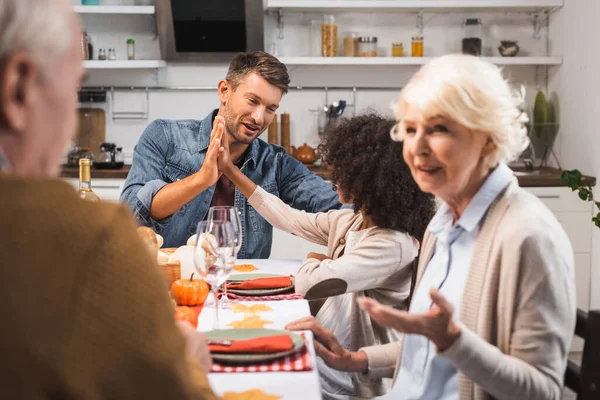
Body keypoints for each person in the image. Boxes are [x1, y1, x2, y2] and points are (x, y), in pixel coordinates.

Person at [286, 54, 576, 400]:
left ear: (489, 138)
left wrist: (455, 342)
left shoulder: (528, 235)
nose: (417, 148)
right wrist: (355, 359)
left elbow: (542, 391)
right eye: (410, 129)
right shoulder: (441, 226)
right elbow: (423, 349)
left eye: (438, 129)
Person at [0, 0, 216, 398]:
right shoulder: (90, 240)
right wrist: (187, 360)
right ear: (19, 88)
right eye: (73, 87)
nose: (71, 123)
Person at [219, 113, 436, 399]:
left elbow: (309, 284)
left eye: (343, 172)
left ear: (367, 180)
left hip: (353, 383)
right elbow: (289, 218)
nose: (335, 180)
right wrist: (231, 172)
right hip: (326, 364)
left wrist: (315, 259)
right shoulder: (351, 223)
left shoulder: (392, 244)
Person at [120, 51, 341, 256]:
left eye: (270, 108)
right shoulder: (165, 136)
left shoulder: (276, 164)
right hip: (169, 286)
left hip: (242, 291)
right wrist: (201, 180)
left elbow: (342, 209)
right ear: (225, 91)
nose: (259, 118)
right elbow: (130, 213)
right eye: (253, 101)